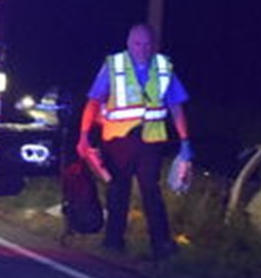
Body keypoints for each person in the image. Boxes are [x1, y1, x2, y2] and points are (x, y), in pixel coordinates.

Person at [75, 23, 192, 260]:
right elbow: (94, 101)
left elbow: (176, 106)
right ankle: (113, 243)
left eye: (147, 44)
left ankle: (161, 245)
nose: (142, 48)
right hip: (118, 141)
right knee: (118, 192)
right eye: (138, 43)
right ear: (129, 43)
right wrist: (84, 135)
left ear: (154, 45)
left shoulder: (163, 67)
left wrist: (185, 142)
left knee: (152, 193)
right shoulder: (114, 65)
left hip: (150, 142)